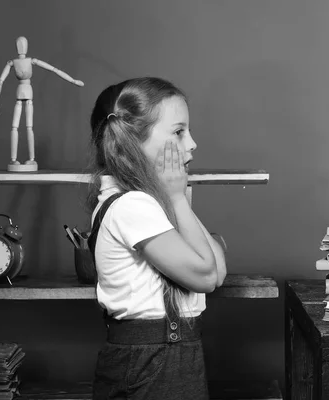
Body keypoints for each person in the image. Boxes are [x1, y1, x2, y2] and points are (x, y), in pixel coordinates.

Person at [86, 77, 227, 400]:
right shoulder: (133, 206)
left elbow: (217, 272)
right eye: (179, 132)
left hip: (171, 353)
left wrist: (175, 200)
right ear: (134, 142)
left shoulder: (149, 203)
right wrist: (178, 200)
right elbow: (205, 275)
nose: (191, 143)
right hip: (152, 359)